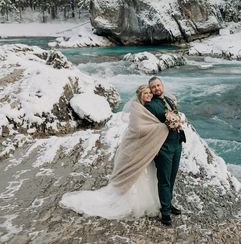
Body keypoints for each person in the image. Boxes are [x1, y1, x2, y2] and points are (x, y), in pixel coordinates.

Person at [59, 85, 170, 220]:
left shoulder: (146, 107)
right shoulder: (136, 107)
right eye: (146, 93)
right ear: (140, 94)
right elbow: (138, 129)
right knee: (131, 175)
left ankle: (137, 202)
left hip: (139, 148)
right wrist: (165, 126)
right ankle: (128, 203)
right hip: (132, 148)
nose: (149, 95)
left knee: (138, 176)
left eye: (150, 93)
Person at [144, 76, 185, 226]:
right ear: (151, 89)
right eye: (153, 87)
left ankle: (167, 203)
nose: (156, 88)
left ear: (162, 85)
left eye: (158, 85)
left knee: (172, 177)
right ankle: (166, 213)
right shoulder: (150, 105)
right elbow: (147, 127)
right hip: (163, 148)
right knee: (164, 180)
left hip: (177, 144)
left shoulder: (168, 99)